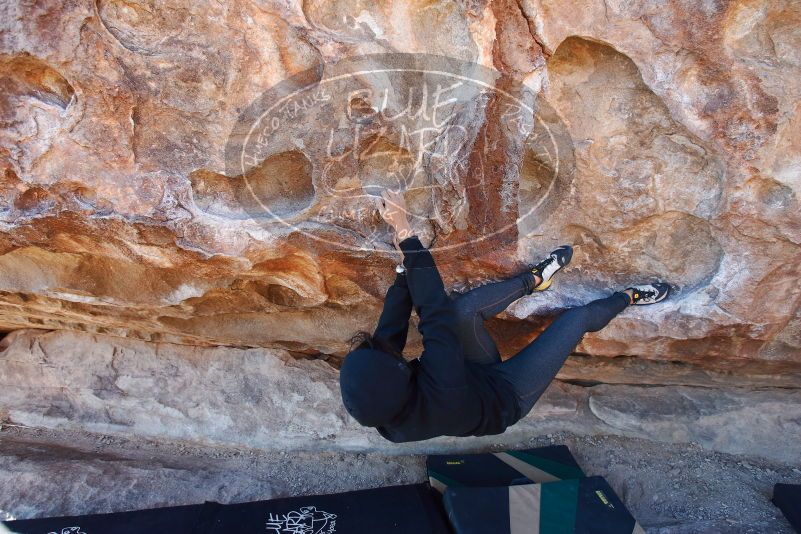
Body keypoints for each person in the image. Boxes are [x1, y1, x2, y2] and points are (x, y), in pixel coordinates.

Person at [339, 190, 670, 442]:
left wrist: (403, 267)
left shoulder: (384, 412)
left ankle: (536, 280)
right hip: (507, 395)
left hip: (469, 374)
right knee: (576, 319)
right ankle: (630, 296)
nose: (383, 347)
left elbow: (390, 334)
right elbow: (434, 313)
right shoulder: (443, 389)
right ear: (398, 384)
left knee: (464, 312)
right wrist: (406, 232)